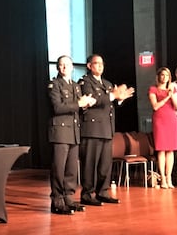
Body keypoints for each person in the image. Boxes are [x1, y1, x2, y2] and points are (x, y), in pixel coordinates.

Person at [78, 54, 135, 206]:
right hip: (92, 129)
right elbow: (94, 100)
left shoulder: (107, 83)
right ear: (89, 66)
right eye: (97, 64)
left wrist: (120, 98)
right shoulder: (84, 82)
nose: (100, 66)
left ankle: (102, 191)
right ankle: (87, 194)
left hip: (106, 128)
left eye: (102, 64)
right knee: (90, 163)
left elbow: (110, 103)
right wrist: (112, 95)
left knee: (105, 164)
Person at [47, 56, 95, 214]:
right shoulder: (54, 85)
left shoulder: (75, 86)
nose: (64, 68)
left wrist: (86, 104)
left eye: (66, 65)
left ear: (72, 67)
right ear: (57, 68)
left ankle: (69, 198)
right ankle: (57, 200)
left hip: (74, 131)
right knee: (58, 169)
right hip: (60, 132)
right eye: (60, 65)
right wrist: (79, 104)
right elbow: (58, 107)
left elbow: (78, 109)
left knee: (72, 169)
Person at [148, 67, 177, 189]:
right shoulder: (153, 89)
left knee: (171, 150)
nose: (164, 77)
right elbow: (155, 106)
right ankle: (162, 178)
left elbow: (176, 106)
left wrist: (171, 95)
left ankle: (169, 177)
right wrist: (167, 97)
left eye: (166, 75)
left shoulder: (172, 90)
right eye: (162, 75)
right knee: (161, 149)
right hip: (160, 119)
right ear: (158, 77)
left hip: (171, 119)